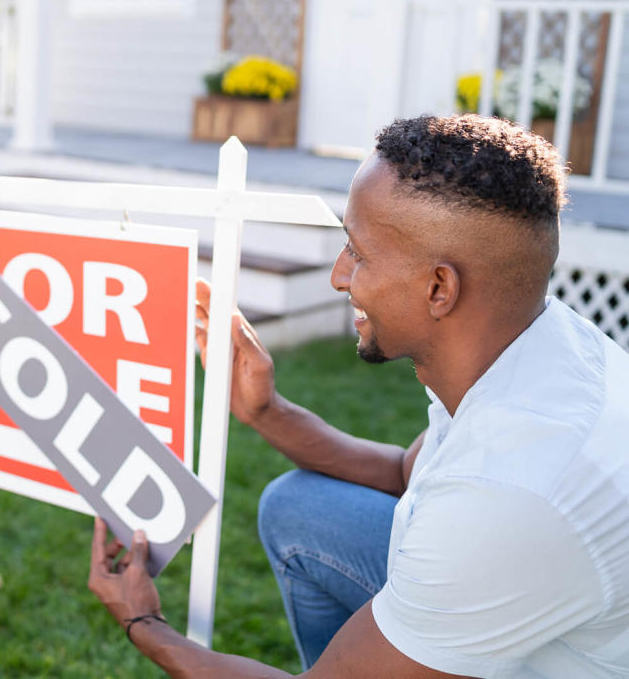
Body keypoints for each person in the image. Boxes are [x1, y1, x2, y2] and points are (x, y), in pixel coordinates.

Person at [88, 114, 629, 677]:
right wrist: (266, 411)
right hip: (522, 591)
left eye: (358, 254)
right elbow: (402, 473)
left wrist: (143, 625)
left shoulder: (506, 491)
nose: (338, 276)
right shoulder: (531, 343)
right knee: (301, 508)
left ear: (439, 288)